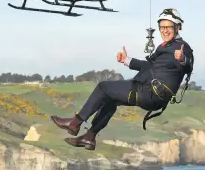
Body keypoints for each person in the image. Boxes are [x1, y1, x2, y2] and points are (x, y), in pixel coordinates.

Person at [50, 8, 194, 150]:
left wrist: (182, 59)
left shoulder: (182, 48)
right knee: (110, 99)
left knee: (103, 87)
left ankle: (75, 122)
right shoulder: (165, 47)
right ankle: (89, 137)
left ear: (178, 27)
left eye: (168, 27)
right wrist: (127, 60)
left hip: (149, 92)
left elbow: (188, 66)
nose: (165, 31)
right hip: (153, 96)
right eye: (162, 27)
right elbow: (148, 66)